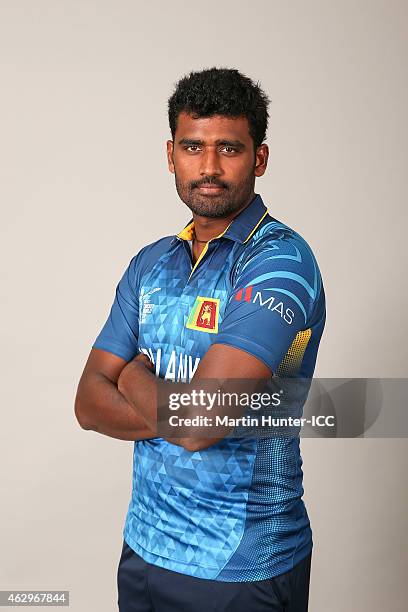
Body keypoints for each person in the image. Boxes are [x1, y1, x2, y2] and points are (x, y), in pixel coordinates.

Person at [74, 67, 326, 612]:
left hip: (240, 566)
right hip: (143, 549)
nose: (209, 167)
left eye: (228, 149)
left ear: (259, 158)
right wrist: (187, 411)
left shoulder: (280, 261)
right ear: (171, 155)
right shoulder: (151, 263)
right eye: (193, 147)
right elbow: (88, 403)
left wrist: (134, 373)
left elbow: (201, 423)